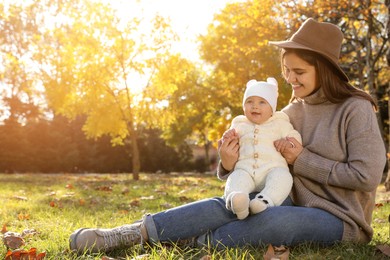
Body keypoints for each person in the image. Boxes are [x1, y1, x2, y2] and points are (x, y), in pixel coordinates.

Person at [69, 18, 386, 253]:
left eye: (298, 72)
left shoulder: (355, 109)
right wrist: (228, 162)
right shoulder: (290, 112)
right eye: (287, 70)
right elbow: (261, 158)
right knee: (230, 203)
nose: (290, 78)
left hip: (340, 218)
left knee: (275, 223)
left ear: (325, 70)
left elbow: (368, 176)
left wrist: (302, 160)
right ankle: (130, 233)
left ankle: (190, 243)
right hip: (287, 198)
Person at [222, 77, 301, 219]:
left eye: (262, 102)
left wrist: (288, 144)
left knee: (283, 177)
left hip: (272, 169)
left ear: (272, 109)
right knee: (236, 178)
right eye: (249, 102)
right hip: (245, 170)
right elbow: (227, 144)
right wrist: (227, 137)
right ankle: (237, 201)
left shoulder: (280, 123)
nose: (255, 106)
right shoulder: (239, 124)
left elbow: (295, 139)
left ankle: (265, 200)